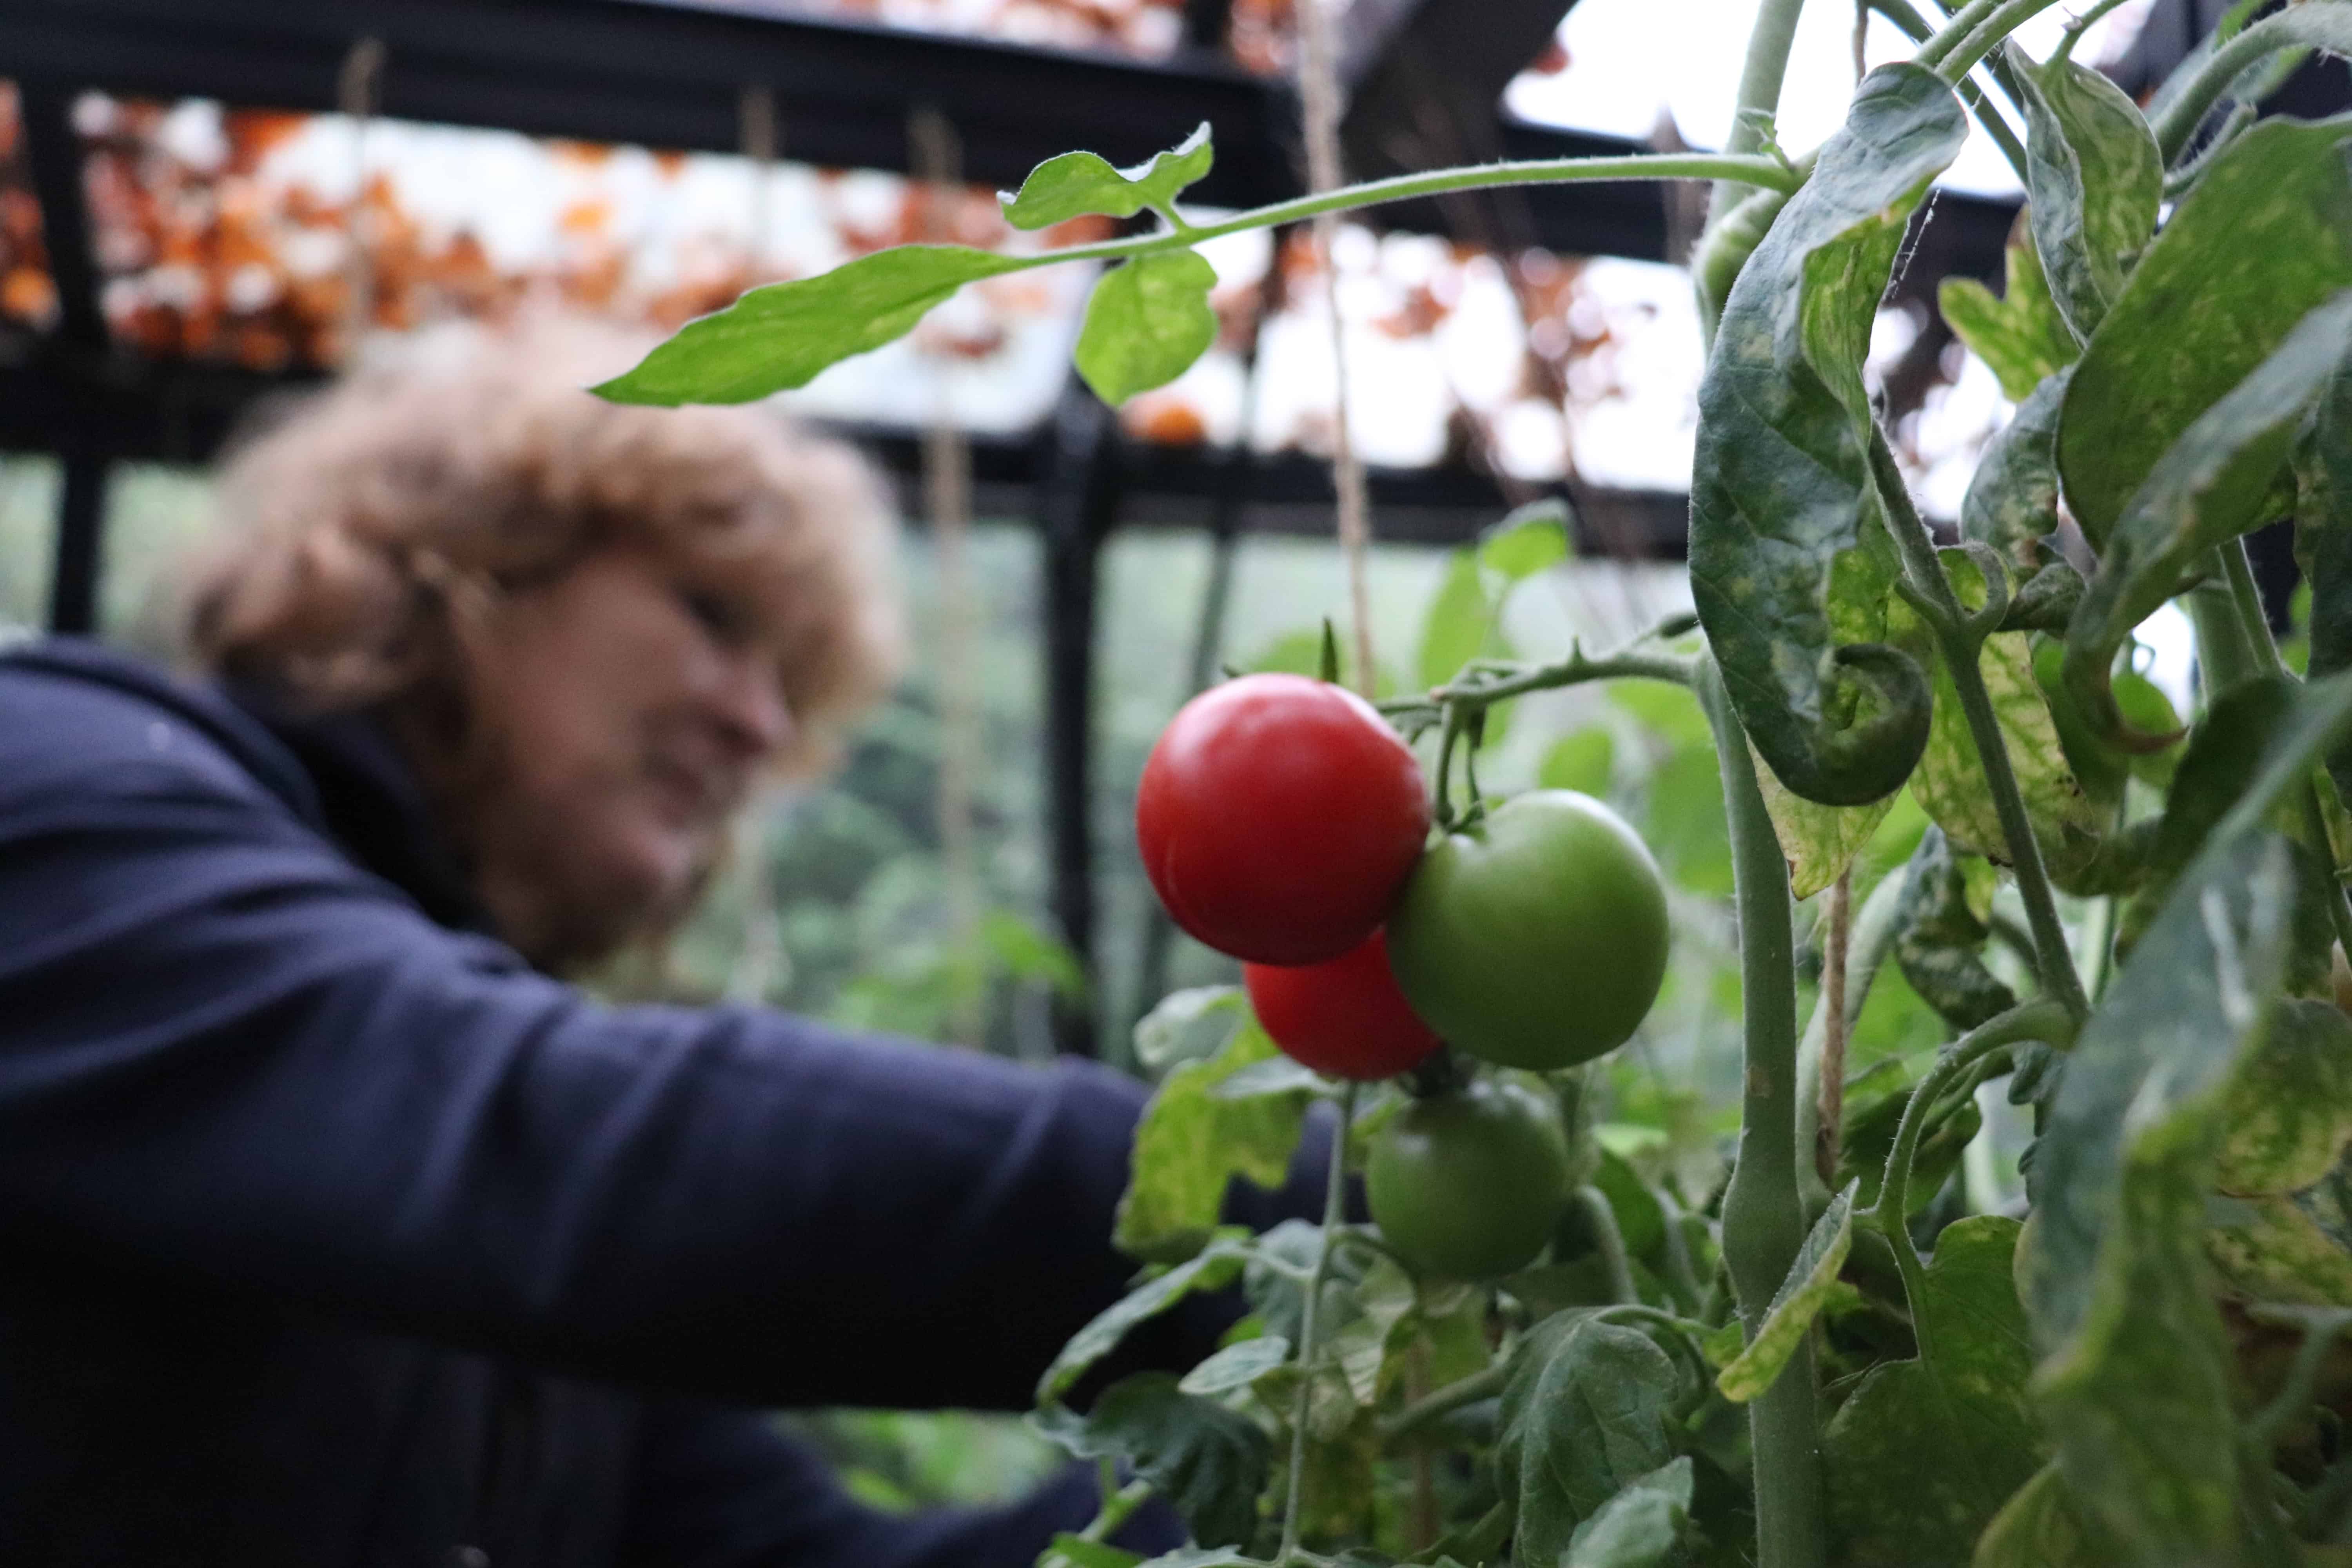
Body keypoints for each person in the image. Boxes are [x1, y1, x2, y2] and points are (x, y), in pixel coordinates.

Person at [0, 328, 1325, 1565]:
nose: (761, 727)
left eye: (790, 687)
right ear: (474, 557)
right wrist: (1279, 1195)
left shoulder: (543, 1337)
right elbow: (541, 1134)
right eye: (715, 616)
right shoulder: (63, 780)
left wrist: (1308, 1466)